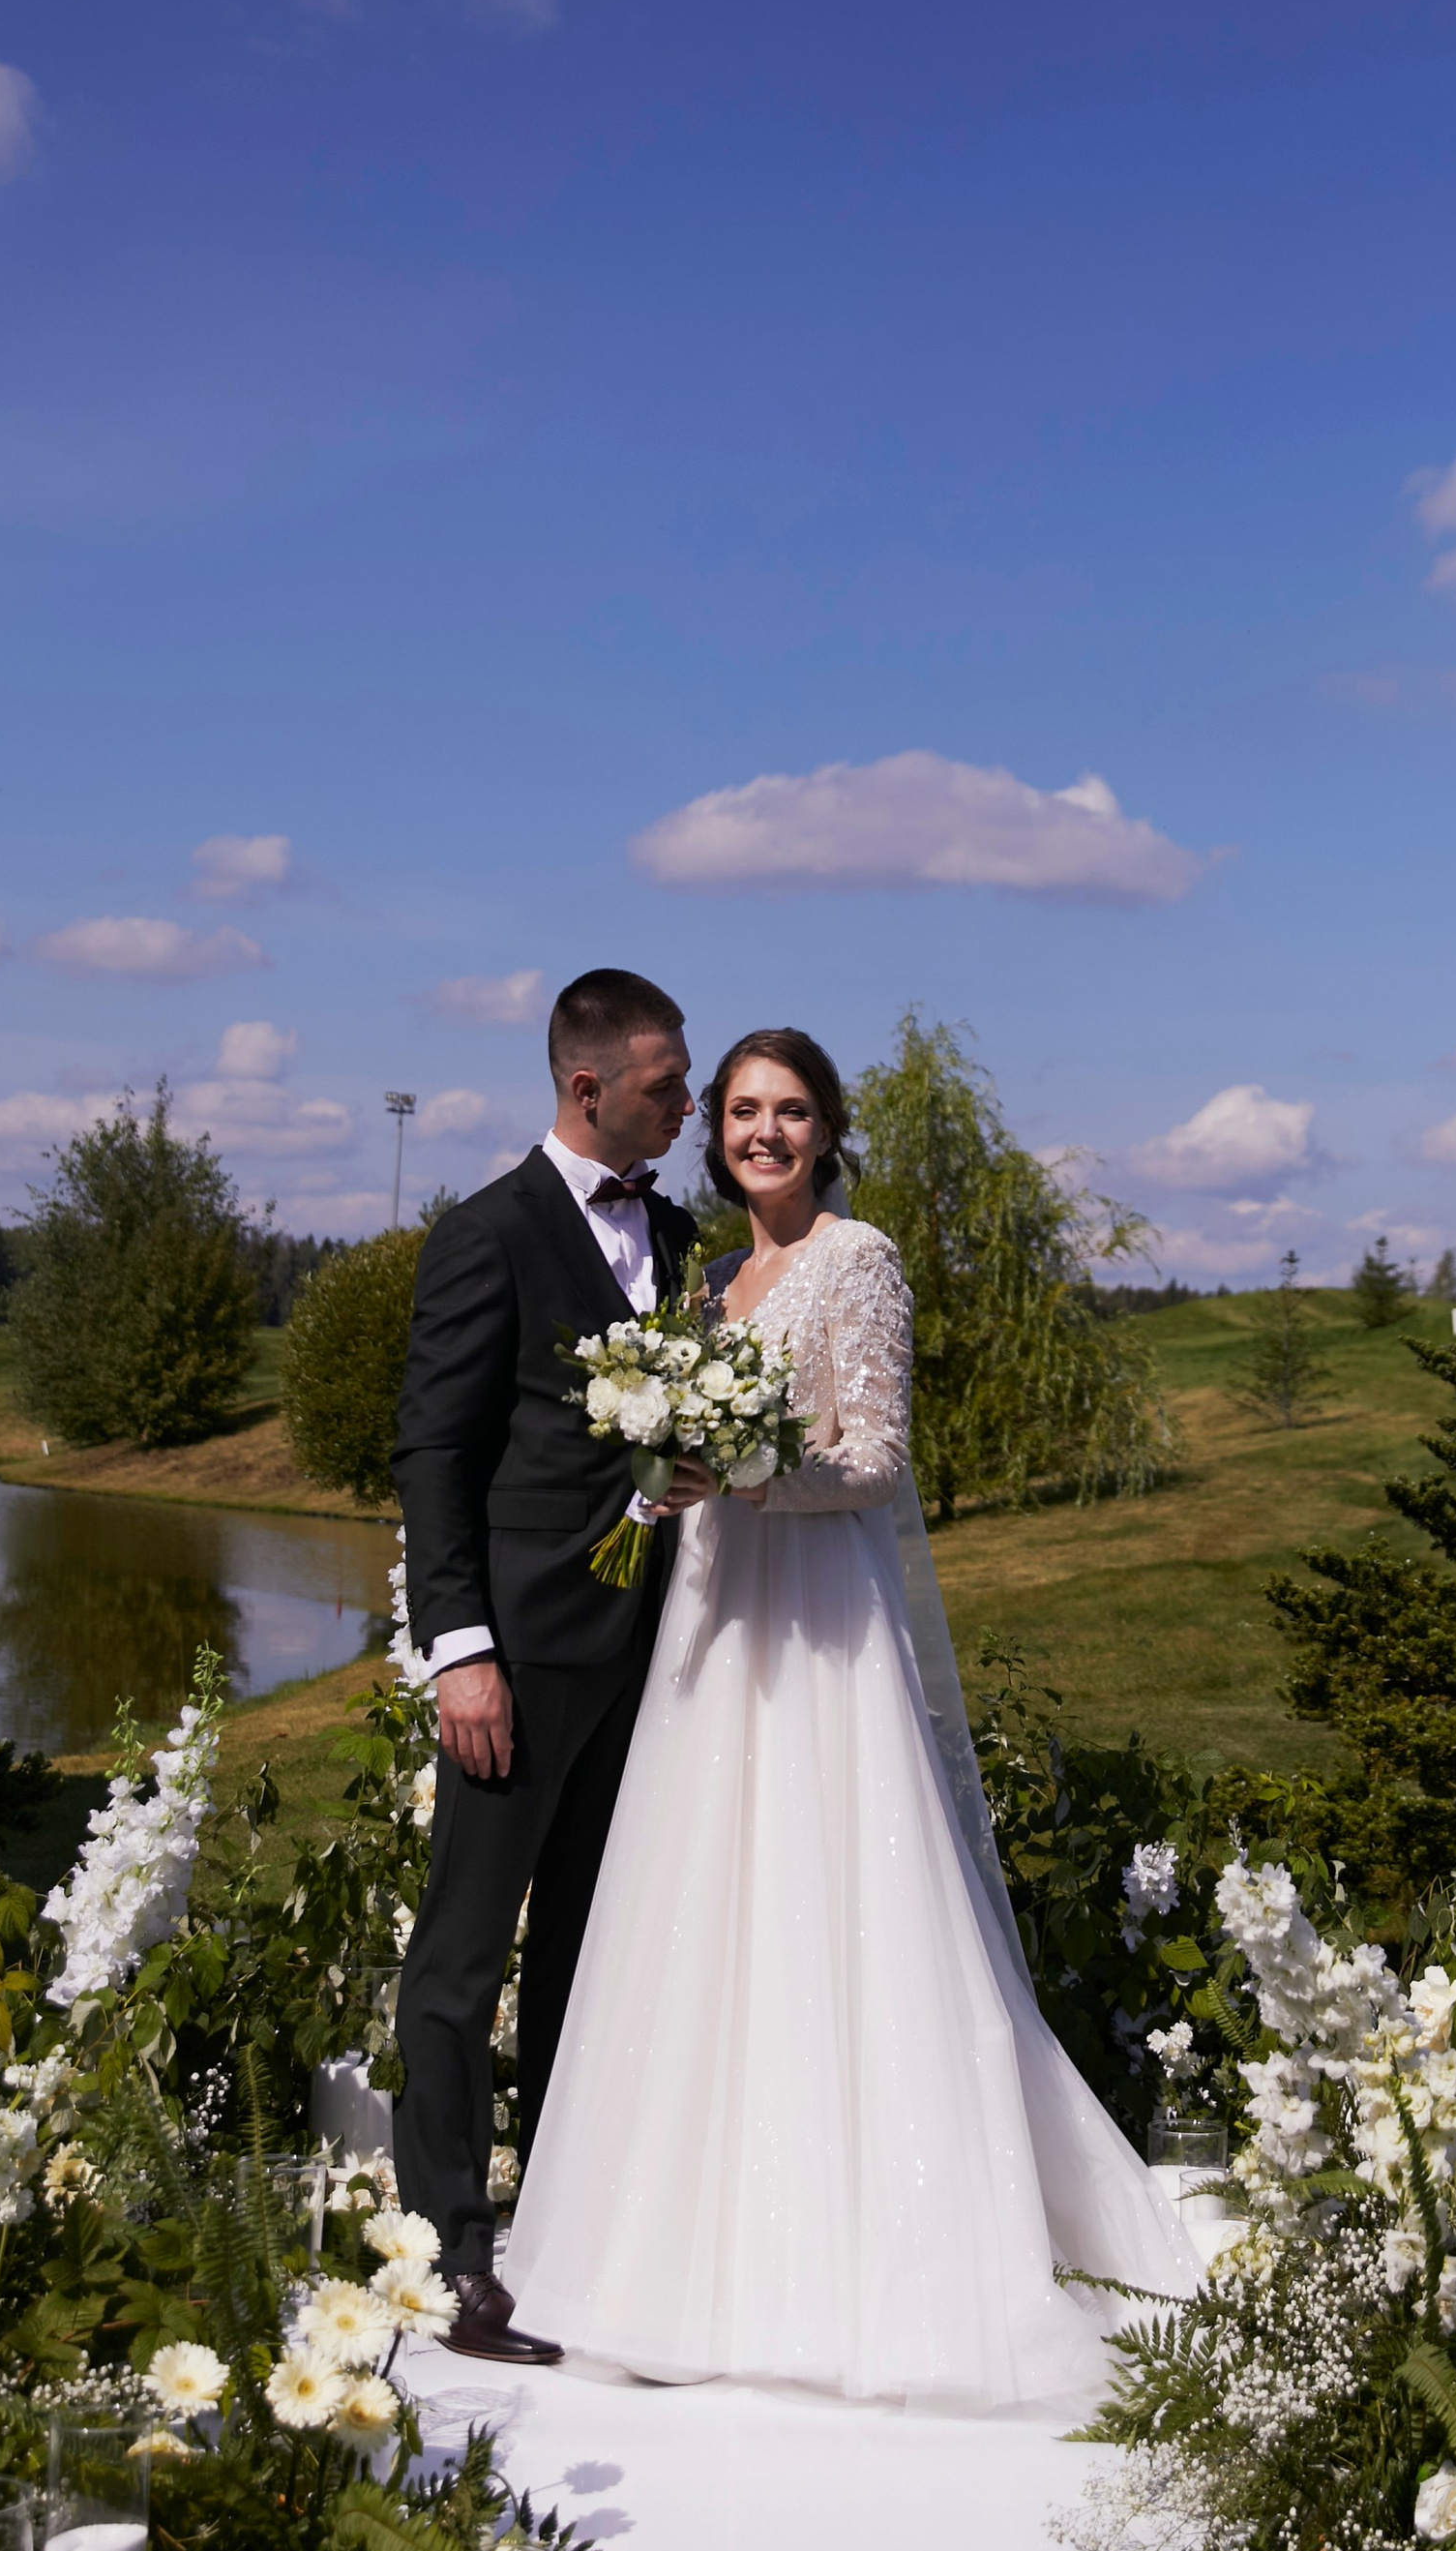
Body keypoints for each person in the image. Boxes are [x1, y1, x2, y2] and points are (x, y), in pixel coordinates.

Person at [502, 1028, 1187, 2414]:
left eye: (793, 1110)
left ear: (827, 1130)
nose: (767, 1131)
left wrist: (743, 1468)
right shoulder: (708, 1280)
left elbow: (872, 1463)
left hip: (817, 1627)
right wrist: (668, 1466)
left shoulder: (858, 1261)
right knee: (700, 1918)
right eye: (746, 1110)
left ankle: (873, 2274)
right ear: (718, 1131)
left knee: (837, 1914)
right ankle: (665, 2267)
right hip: (713, 1625)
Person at [390, 967, 706, 2364]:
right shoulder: (491, 1233)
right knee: (465, 1956)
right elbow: (433, 1456)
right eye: (666, 1086)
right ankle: (450, 2254)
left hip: (657, 1655)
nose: (687, 1109)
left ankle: (565, 2228)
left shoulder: (685, 1238)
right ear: (588, 1086)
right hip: (516, 1658)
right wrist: (462, 1654)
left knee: (591, 1941)